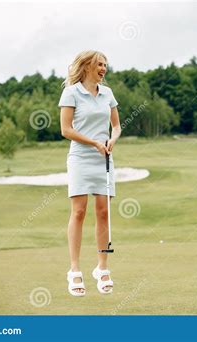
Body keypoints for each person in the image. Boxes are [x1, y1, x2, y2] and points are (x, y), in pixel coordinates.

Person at [58, 50, 121, 296]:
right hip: (81, 158)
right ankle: (74, 270)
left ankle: (102, 268)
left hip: (104, 157)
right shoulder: (71, 92)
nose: (103, 68)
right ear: (86, 66)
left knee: (103, 211)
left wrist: (112, 140)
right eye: (99, 64)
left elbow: (116, 126)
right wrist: (94, 143)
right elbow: (66, 129)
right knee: (80, 211)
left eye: (105, 64)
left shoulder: (108, 93)